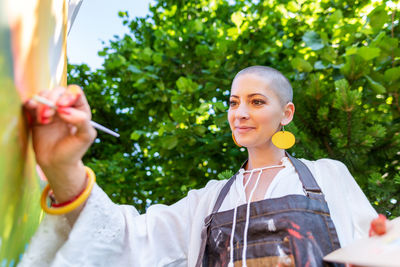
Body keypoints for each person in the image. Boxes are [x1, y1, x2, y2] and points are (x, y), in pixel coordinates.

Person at [20, 66, 377, 267]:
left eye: (256, 101)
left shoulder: (329, 175)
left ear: (286, 113)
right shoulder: (207, 202)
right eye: (234, 102)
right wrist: (63, 165)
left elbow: (376, 249)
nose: (240, 113)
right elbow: (126, 240)